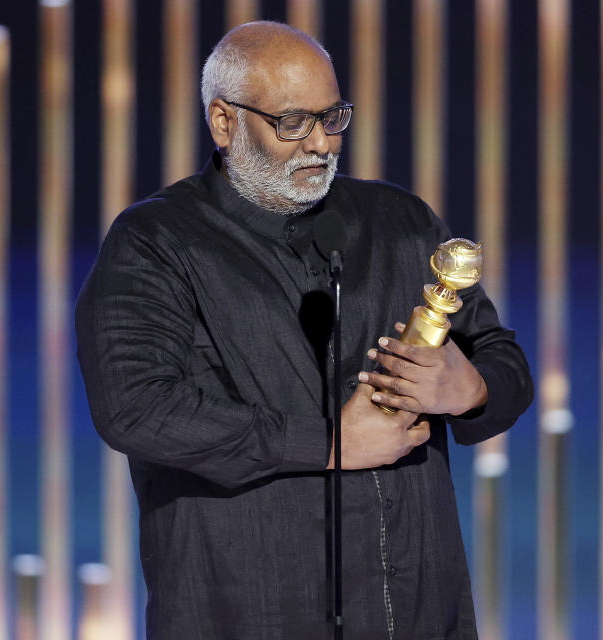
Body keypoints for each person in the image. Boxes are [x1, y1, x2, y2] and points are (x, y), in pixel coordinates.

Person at [75, 21, 533, 639]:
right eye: (292, 122)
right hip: (246, 607)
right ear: (224, 121)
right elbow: (137, 409)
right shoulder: (156, 242)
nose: (320, 143)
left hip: (414, 605)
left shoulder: (399, 222)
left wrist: (468, 389)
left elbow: (503, 361)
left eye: (333, 117)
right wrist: (327, 443)